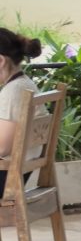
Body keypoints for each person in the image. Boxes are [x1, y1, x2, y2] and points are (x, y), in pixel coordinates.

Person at [0, 28, 43, 192]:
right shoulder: (25, 84)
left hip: (7, 176)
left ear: (1, 61)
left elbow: (2, 148)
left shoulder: (13, 91)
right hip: (19, 171)